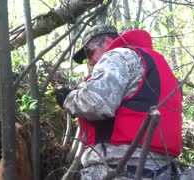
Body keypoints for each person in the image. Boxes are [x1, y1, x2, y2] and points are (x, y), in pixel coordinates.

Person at [54, 24, 182, 179]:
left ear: (108, 42)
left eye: (89, 52)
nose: (89, 62)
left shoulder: (118, 55)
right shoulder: (155, 63)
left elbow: (96, 104)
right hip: (162, 169)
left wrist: (68, 98)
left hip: (119, 167)